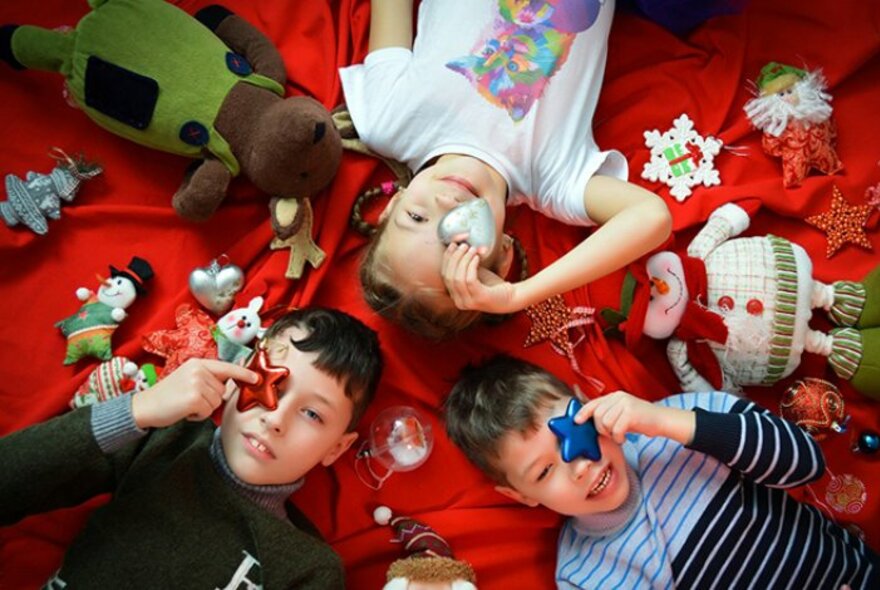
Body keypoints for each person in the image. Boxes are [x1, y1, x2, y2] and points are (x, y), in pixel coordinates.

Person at [340, 0, 672, 339]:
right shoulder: (553, 180)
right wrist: (519, 295)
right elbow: (653, 216)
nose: (447, 204)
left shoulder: (389, 122)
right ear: (502, 256)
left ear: (393, 203)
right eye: (461, 240)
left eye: (416, 217)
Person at [0, 307, 383, 589]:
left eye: (313, 414)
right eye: (273, 385)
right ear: (237, 375)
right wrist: (139, 409)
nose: (276, 418)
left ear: (337, 448)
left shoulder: (308, 569)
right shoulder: (162, 438)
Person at [444, 355, 879, 589]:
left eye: (571, 433)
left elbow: (805, 463)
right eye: (543, 473)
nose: (578, 467)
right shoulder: (584, 574)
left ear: (586, 401)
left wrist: (666, 423)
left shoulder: (685, 418)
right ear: (521, 496)